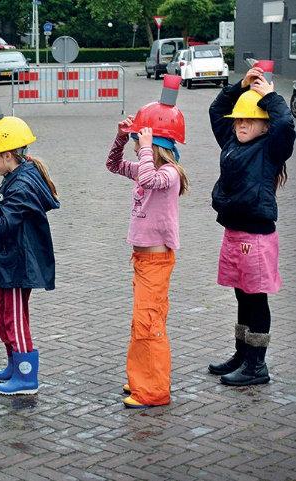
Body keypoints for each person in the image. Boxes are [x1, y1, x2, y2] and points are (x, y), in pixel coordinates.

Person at [208, 66, 295, 386]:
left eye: (250, 119)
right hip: (234, 232)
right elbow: (217, 110)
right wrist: (240, 85)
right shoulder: (232, 141)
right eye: (239, 119)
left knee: (256, 299)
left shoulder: (271, 149)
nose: (242, 124)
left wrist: (269, 95)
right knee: (242, 296)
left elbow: (286, 122)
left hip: (256, 236)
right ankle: (242, 354)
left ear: (264, 126)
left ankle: (257, 365)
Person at [106, 75, 189, 408]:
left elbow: (148, 177)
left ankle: (154, 390)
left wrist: (142, 148)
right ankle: (140, 380)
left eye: (146, 142)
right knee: (141, 322)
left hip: (157, 261)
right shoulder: (145, 167)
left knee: (149, 324)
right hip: (142, 261)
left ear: (157, 147)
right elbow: (112, 165)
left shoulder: (169, 175)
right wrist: (121, 138)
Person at [0, 103, 60, 395]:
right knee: (3, 311)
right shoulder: (18, 176)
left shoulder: (21, 185)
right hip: (14, 259)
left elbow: (4, 225)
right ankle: (13, 363)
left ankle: (26, 377)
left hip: (19, 263)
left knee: (15, 316)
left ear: (7, 155)